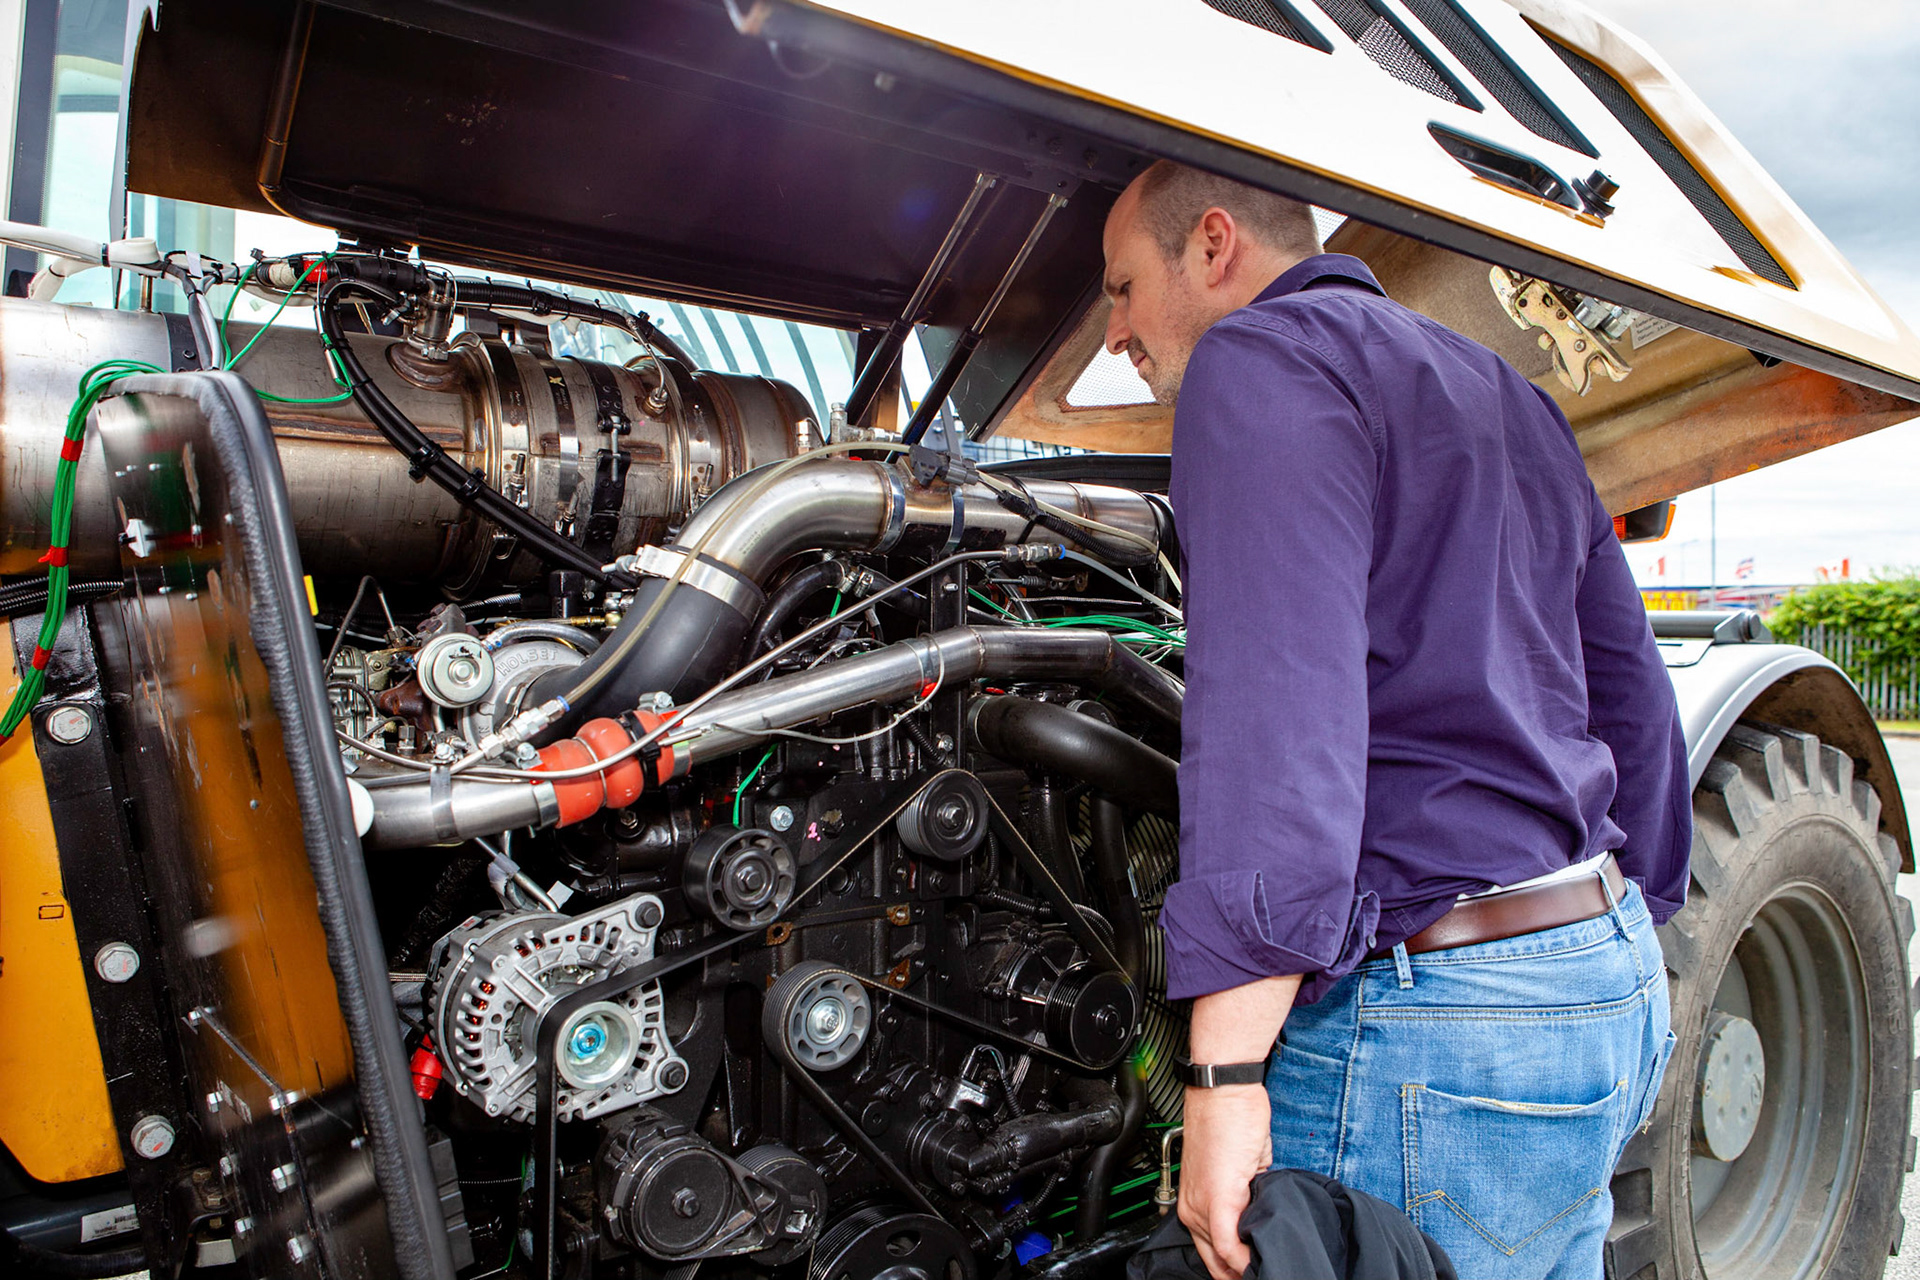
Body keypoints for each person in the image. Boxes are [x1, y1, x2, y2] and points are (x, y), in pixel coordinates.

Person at [1101, 161, 1689, 1280]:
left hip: (1439, 1031)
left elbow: (1281, 735)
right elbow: (1631, 690)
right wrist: (1621, 927)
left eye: (1123, 285)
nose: (1115, 329)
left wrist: (1222, 1081)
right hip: (1600, 980)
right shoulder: (1507, 392)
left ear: (1214, 243)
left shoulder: (1262, 358)